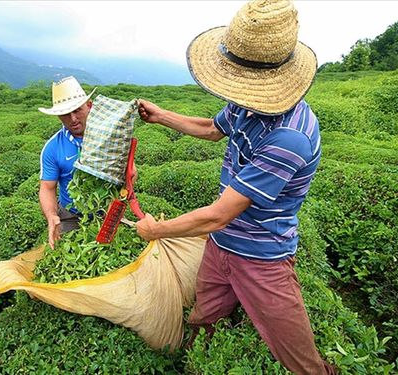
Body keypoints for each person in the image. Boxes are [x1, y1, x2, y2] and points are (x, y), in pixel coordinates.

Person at [135, 1, 336, 374]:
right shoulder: (248, 104)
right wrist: (161, 116)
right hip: (221, 243)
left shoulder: (289, 137)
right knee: (204, 315)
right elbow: (213, 129)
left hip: (262, 255)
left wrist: (156, 230)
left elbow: (219, 214)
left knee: (297, 355)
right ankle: (197, 361)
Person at [38, 76, 96, 249]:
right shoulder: (52, 148)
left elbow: (130, 173)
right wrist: (51, 216)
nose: (73, 119)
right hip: (71, 215)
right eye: (65, 114)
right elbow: (47, 187)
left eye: (77, 110)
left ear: (89, 105)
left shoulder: (110, 137)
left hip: (109, 212)